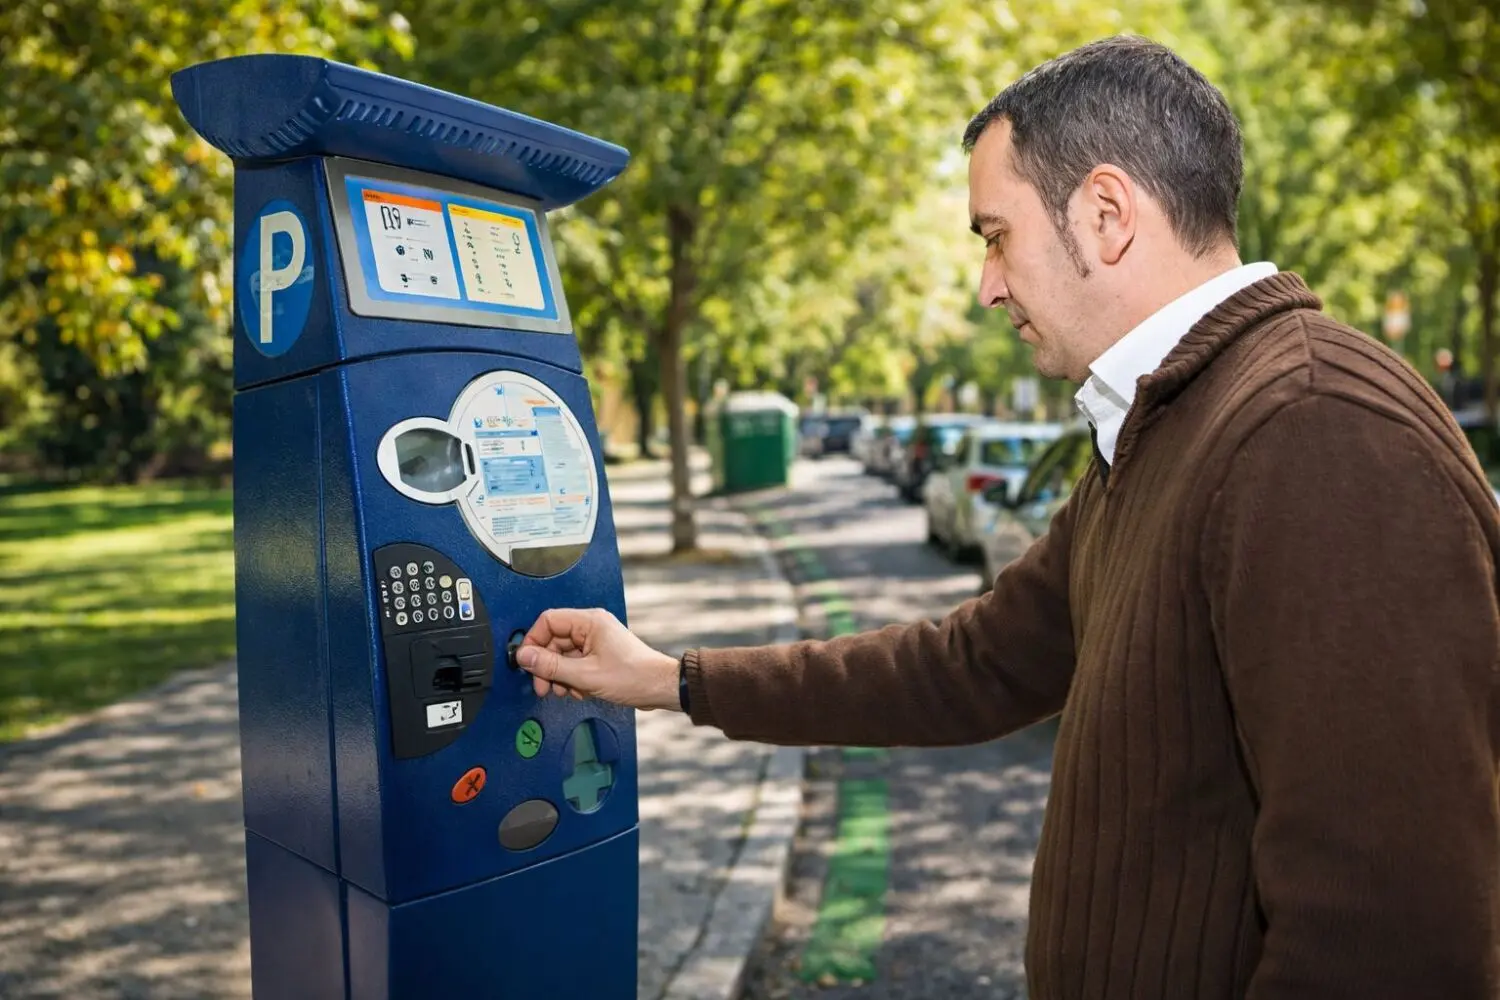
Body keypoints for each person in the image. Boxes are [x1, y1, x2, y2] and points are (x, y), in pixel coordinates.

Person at [517, 35, 1500, 999]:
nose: (987, 284)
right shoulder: (1167, 426)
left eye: (996, 234)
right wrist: (665, 677)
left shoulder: (1315, 430)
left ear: (1107, 213)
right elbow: (968, 666)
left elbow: (1394, 938)